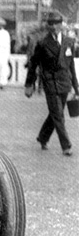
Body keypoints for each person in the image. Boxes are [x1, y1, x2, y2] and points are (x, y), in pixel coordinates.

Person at [25, 10, 79, 156]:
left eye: (56, 24)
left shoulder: (69, 42)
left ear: (61, 25)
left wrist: (76, 88)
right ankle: (66, 146)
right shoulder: (42, 43)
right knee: (58, 115)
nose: (54, 27)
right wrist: (29, 84)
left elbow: (71, 66)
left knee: (55, 114)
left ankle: (43, 137)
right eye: (50, 24)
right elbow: (33, 64)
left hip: (65, 84)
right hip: (50, 84)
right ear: (48, 26)